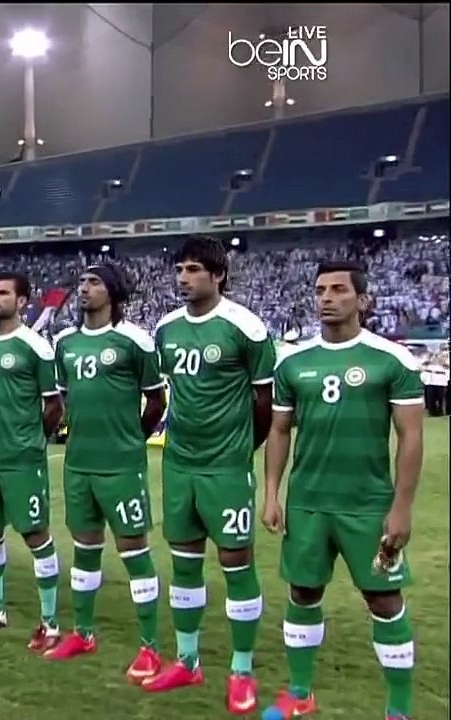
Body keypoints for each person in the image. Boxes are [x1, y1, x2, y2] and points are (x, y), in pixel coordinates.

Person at [261, 261, 424, 720]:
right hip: (309, 501)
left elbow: (411, 437)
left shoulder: (391, 359)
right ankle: (299, 694)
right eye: (319, 290)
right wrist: (272, 494)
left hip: (368, 505)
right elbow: (279, 431)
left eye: (338, 289)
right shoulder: (293, 362)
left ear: (363, 300)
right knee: (303, 591)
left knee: (384, 598)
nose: (326, 298)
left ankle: (398, 709)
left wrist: (402, 508)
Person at [145, 237, 275, 711]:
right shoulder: (165, 328)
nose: (183, 277)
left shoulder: (246, 328)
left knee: (237, 562)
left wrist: (243, 449)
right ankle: (187, 661)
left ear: (218, 274)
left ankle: (242, 670)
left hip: (225, 467)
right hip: (179, 464)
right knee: (183, 564)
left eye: (194, 269)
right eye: (180, 268)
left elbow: (265, 404)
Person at [45, 264, 167, 685]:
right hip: (79, 464)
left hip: (121, 465)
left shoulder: (135, 341)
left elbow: (156, 401)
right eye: (81, 282)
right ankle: (83, 633)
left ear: (113, 292)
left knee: (134, 552)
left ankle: (150, 647)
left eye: (94, 283)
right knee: (84, 550)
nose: (83, 289)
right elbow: (62, 399)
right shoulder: (65, 343)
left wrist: (134, 439)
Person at [0, 272, 66, 648]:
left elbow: (54, 405)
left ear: (22, 302)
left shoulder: (35, 347)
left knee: (36, 534)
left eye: (3, 293)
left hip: (23, 458)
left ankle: (50, 623)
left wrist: (34, 438)